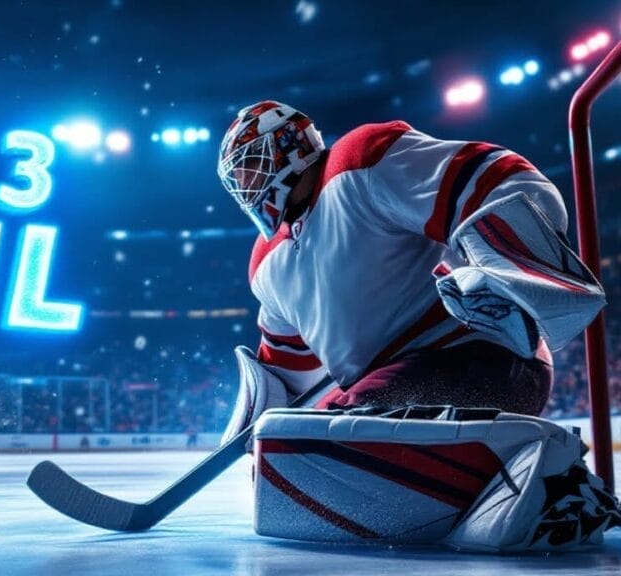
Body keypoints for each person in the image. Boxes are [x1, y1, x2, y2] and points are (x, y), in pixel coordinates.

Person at [217, 100, 605, 442]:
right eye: (238, 178)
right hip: (384, 385)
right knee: (298, 449)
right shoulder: (265, 262)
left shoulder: (358, 161)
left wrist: (502, 272)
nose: (245, 184)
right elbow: (288, 373)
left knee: (332, 436)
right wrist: (262, 429)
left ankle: (560, 488)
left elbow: (502, 179)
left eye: (252, 165)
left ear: (292, 143)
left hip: (481, 357)